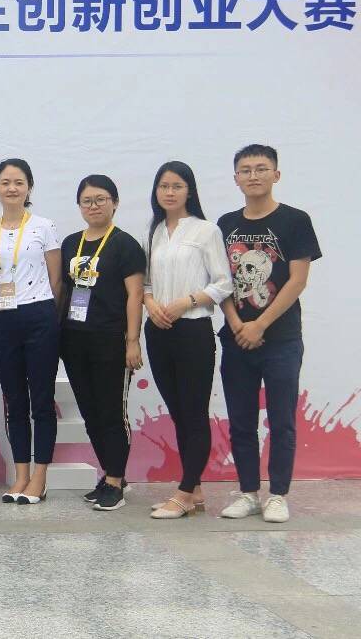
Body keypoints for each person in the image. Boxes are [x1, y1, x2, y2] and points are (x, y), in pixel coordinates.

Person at [217, 145, 320, 524]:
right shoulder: (225, 224)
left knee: (281, 421)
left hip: (282, 340)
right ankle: (248, 493)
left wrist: (260, 324)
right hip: (236, 339)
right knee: (241, 421)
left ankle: (278, 495)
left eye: (261, 168)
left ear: (276, 175)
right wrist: (236, 323)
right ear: (236, 179)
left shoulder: (295, 220)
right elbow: (220, 281)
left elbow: (297, 280)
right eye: (245, 170)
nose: (253, 175)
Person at [142, 161, 232, 520]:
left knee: (193, 413)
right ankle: (195, 492)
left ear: (189, 191)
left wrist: (186, 302)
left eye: (176, 186)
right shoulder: (153, 232)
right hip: (158, 331)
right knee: (179, 413)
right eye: (163, 186)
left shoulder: (206, 231)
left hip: (192, 330)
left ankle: (184, 492)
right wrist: (151, 304)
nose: (169, 192)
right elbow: (146, 283)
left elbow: (223, 282)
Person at [58, 175, 146, 512]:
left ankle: (115, 481)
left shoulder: (125, 245)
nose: (93, 206)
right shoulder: (71, 243)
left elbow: (135, 296)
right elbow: (66, 291)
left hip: (111, 340)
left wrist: (132, 341)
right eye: (87, 201)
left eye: (100, 199)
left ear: (115, 202)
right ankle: (111, 474)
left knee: (111, 412)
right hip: (75, 340)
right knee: (91, 412)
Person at [0, 158, 61, 505]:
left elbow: (56, 280)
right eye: (5, 182)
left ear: (29, 187)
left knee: (41, 400)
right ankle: (21, 474)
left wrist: (41, 311)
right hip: (4, 318)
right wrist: (1, 309)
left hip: (40, 315)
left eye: (18, 182)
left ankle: (40, 477)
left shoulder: (44, 226)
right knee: (14, 400)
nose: (12, 188)